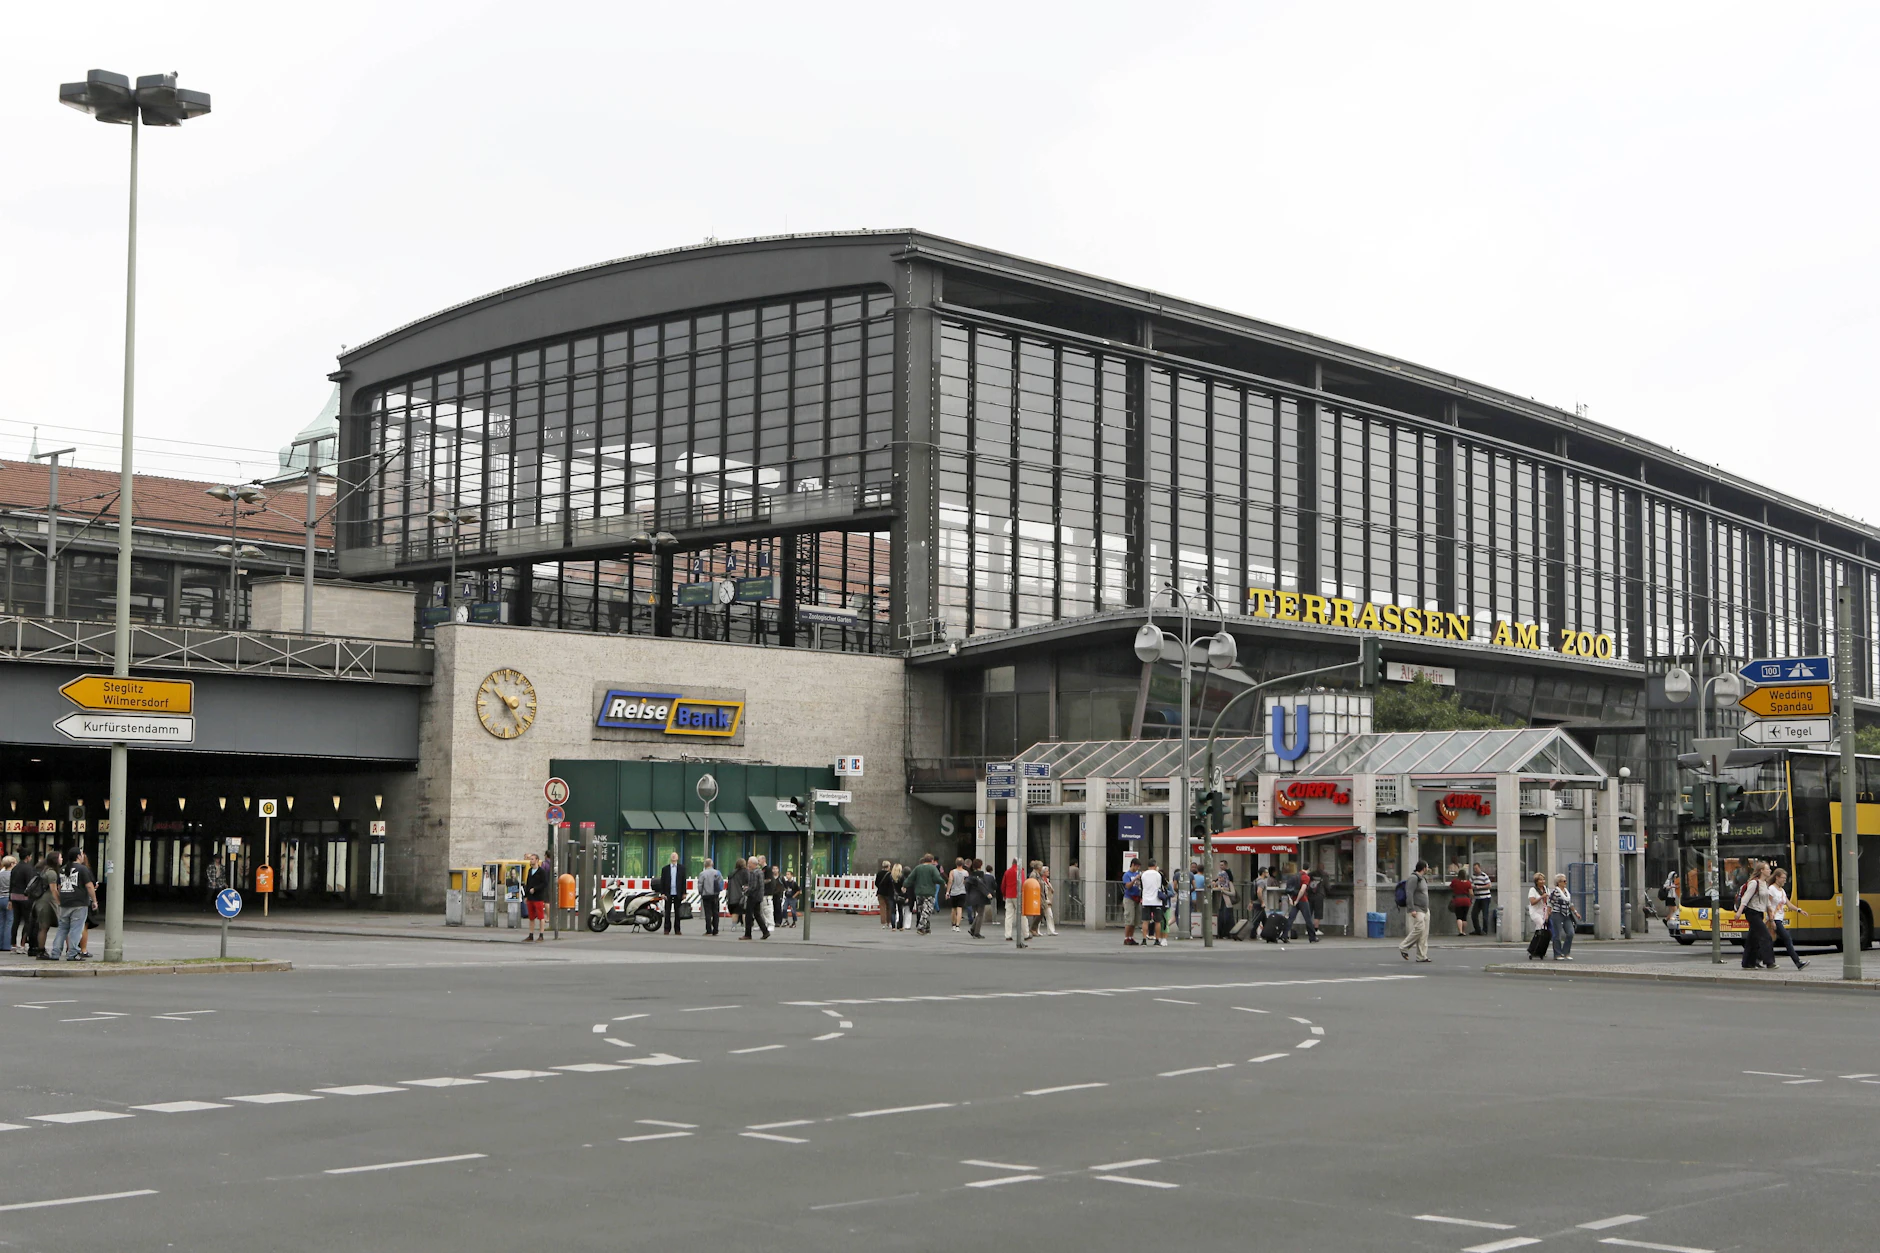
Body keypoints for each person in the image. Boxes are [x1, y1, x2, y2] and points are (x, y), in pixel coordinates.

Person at [50, 847, 97, 962]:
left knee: (62, 928)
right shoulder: (82, 869)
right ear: (78, 856)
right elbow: (89, 886)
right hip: (79, 902)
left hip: (65, 902)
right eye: (81, 854)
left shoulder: (62, 869)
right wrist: (94, 900)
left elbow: (59, 887)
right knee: (76, 929)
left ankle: (55, 952)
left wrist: (60, 900)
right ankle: (73, 953)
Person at [1766, 867, 1808, 970]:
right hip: (1774, 919)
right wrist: (1771, 920)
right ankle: (1797, 962)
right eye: (1783, 878)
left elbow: (1788, 904)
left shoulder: (1782, 891)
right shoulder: (1771, 889)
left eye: (1785, 878)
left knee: (1769, 941)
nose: (1785, 880)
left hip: (1779, 919)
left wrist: (1799, 910)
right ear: (1777, 877)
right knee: (1787, 938)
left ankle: (1759, 959)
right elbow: (1768, 905)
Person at [1737, 863, 1774, 970]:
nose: (1770, 871)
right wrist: (1739, 912)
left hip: (1760, 913)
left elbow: (1767, 901)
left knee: (1752, 939)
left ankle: (1748, 963)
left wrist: (1770, 912)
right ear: (1761, 870)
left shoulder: (1765, 884)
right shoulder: (1754, 883)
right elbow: (1745, 898)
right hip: (1752, 912)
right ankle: (1769, 962)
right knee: (1766, 936)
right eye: (1768, 869)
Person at [32, 849, 63, 958]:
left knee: (43, 927)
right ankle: (69, 950)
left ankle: (40, 950)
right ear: (55, 860)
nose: (62, 859)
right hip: (48, 902)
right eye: (60, 857)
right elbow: (54, 890)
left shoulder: (44, 870)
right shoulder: (52, 873)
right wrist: (60, 902)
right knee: (61, 925)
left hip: (41, 901)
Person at [1398, 860, 1431, 962]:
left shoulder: (1423, 879)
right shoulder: (1413, 878)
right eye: (1427, 867)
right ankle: (1404, 946)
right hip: (1417, 908)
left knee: (1424, 933)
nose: (1428, 869)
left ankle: (1421, 956)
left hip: (1425, 909)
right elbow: (1409, 893)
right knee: (1419, 929)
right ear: (1423, 868)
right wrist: (1411, 909)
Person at [906, 854, 943, 934]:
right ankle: (921, 927)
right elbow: (937, 878)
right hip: (929, 892)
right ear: (932, 860)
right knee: (927, 910)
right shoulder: (932, 868)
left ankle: (927, 927)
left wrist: (905, 885)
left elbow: (910, 878)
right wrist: (942, 882)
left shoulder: (918, 868)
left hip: (919, 892)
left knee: (922, 910)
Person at [655, 851, 687, 935]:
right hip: (668, 893)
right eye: (672, 856)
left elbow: (684, 881)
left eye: (675, 856)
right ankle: (667, 929)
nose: (673, 857)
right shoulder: (665, 869)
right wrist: (662, 893)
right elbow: (662, 882)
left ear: (677, 858)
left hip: (678, 892)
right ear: (670, 858)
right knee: (667, 912)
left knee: (677, 912)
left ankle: (677, 929)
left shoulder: (681, 868)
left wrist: (684, 893)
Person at [1549, 873, 1580, 959]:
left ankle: (1566, 952)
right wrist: (1548, 914)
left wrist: (1576, 912)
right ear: (1558, 882)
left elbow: (1570, 903)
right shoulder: (1555, 892)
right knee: (1557, 934)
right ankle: (1557, 954)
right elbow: (1550, 903)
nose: (1565, 882)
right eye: (1564, 881)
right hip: (1557, 914)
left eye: (1566, 881)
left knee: (1570, 933)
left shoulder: (1566, 892)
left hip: (1566, 914)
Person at [740, 857, 771, 940]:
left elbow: (753, 886)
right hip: (759, 896)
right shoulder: (760, 872)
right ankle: (765, 931)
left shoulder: (753, 873)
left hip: (753, 896)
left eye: (749, 864)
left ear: (753, 864)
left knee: (748, 915)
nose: (748, 865)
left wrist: (746, 891)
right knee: (757, 914)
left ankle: (748, 934)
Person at [522, 852, 550, 941]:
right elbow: (528, 883)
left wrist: (536, 889)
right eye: (530, 859)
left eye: (532, 859)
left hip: (538, 897)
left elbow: (545, 883)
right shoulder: (530, 871)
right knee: (531, 917)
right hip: (530, 897)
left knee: (541, 916)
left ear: (537, 860)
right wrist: (526, 895)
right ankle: (531, 934)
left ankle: (541, 934)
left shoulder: (541, 872)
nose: (531, 861)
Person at [1138, 859, 1166, 947]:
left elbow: (1142, 886)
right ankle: (1157, 940)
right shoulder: (1159, 874)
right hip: (1157, 900)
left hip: (1146, 900)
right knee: (1157, 921)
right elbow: (1164, 884)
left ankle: (1144, 940)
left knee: (1145, 921)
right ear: (1155, 865)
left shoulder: (1143, 875)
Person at [1288, 866, 1319, 942]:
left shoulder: (1295, 876)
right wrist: (1298, 900)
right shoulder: (1306, 877)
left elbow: (1288, 888)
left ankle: (1284, 935)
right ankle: (1312, 937)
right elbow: (1302, 890)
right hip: (1302, 900)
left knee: (1291, 918)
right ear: (1308, 869)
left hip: (1294, 899)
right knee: (1308, 919)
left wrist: (1292, 899)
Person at [1526, 872, 1551, 960]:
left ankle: (1537, 949)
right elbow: (1532, 902)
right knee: (1541, 925)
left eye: (1543, 879)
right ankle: (1534, 948)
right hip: (1535, 911)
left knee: (1541, 930)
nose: (1542, 881)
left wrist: (1548, 912)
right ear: (1536, 881)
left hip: (1543, 911)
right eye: (1540, 880)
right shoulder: (1533, 890)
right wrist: (1541, 897)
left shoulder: (1546, 889)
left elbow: (1548, 902)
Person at [697, 858, 724, 936]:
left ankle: (708, 930)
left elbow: (700, 884)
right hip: (715, 894)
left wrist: (700, 892)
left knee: (707, 913)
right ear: (712, 864)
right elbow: (721, 882)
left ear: (705, 865)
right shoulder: (717, 873)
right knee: (715, 912)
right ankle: (716, 929)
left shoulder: (702, 874)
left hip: (706, 895)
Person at [964, 858, 991, 938]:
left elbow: (967, 886)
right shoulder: (981, 876)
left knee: (977, 914)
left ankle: (973, 929)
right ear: (981, 865)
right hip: (980, 897)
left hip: (972, 897)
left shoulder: (971, 875)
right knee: (980, 915)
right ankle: (976, 932)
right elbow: (982, 886)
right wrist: (988, 893)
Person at [1122, 856, 1143, 946]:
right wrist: (1135, 879)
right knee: (1129, 919)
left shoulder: (1138, 873)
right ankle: (1126, 937)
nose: (1138, 868)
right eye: (1137, 866)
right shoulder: (1127, 875)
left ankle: (1131, 937)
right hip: (1129, 898)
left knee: (1135, 919)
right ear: (1133, 865)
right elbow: (1128, 886)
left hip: (1137, 898)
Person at [1447, 866, 1474, 936]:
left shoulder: (1455, 881)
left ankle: (1460, 931)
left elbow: (1450, 887)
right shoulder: (1468, 883)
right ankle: (1464, 931)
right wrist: (1470, 900)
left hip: (1458, 900)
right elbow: (1471, 893)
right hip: (1466, 900)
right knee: (1464, 917)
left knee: (1459, 917)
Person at [1213, 861, 1236, 939]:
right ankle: (1221, 933)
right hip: (1221, 902)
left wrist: (1223, 891)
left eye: (1221, 877)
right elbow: (1214, 884)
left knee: (1227, 918)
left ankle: (1228, 933)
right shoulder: (1219, 883)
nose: (1219, 879)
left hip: (1227, 902)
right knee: (1221, 918)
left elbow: (1233, 893)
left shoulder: (1229, 883)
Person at [1469, 862, 1493, 936]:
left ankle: (1485, 930)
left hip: (1485, 898)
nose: (1475, 870)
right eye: (1474, 869)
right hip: (1478, 898)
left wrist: (1480, 887)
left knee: (1484, 915)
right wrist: (1471, 891)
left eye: (1476, 868)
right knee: (1474, 914)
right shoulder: (1473, 876)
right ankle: (1477, 930)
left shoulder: (1484, 876)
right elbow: (1469, 885)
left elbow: (1489, 885)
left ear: (1479, 868)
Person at [1001, 859, 1022, 941]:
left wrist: (1004, 894)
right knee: (1022, 915)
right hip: (1017, 895)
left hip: (1009, 895)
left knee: (1009, 916)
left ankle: (1008, 934)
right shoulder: (1020, 872)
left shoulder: (1007, 872)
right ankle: (1026, 933)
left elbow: (1003, 885)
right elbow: (1022, 883)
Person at [947, 859, 969, 932]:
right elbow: (966, 883)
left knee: (953, 909)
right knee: (960, 909)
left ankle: (953, 925)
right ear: (962, 864)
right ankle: (957, 925)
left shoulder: (952, 872)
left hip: (954, 892)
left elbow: (950, 881)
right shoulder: (966, 873)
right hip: (962, 892)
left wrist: (947, 891)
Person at [1036, 864, 1057, 937]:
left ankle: (1051, 930)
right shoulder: (1041, 881)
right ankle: (1036, 930)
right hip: (1043, 900)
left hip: (1047, 900)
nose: (1048, 872)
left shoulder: (1047, 880)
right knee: (1039, 916)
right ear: (1043, 872)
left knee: (1049, 915)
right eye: (1047, 871)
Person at [0, 854, 14, 953]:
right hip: (9, 899)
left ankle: (0, 943)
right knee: (10, 922)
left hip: (0, 898)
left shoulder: (0, 874)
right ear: (12, 863)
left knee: (1, 922)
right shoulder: (12, 874)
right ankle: (6, 944)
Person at [727, 857, 747, 925]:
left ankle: (733, 926)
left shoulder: (732, 873)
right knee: (744, 911)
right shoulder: (745, 872)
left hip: (733, 896)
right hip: (742, 895)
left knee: (735, 912)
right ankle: (745, 926)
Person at [875, 860, 895, 927]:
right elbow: (891, 884)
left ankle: (883, 923)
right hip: (888, 893)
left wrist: (880, 887)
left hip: (880, 892)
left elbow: (876, 883)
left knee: (882, 908)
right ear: (888, 866)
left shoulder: (879, 873)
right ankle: (888, 923)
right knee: (889, 908)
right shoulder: (890, 874)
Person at [889, 863, 906, 930]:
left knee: (893, 911)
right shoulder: (902, 877)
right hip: (900, 895)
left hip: (891, 895)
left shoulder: (890, 876)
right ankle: (901, 926)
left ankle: (893, 927)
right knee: (900, 911)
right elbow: (903, 887)